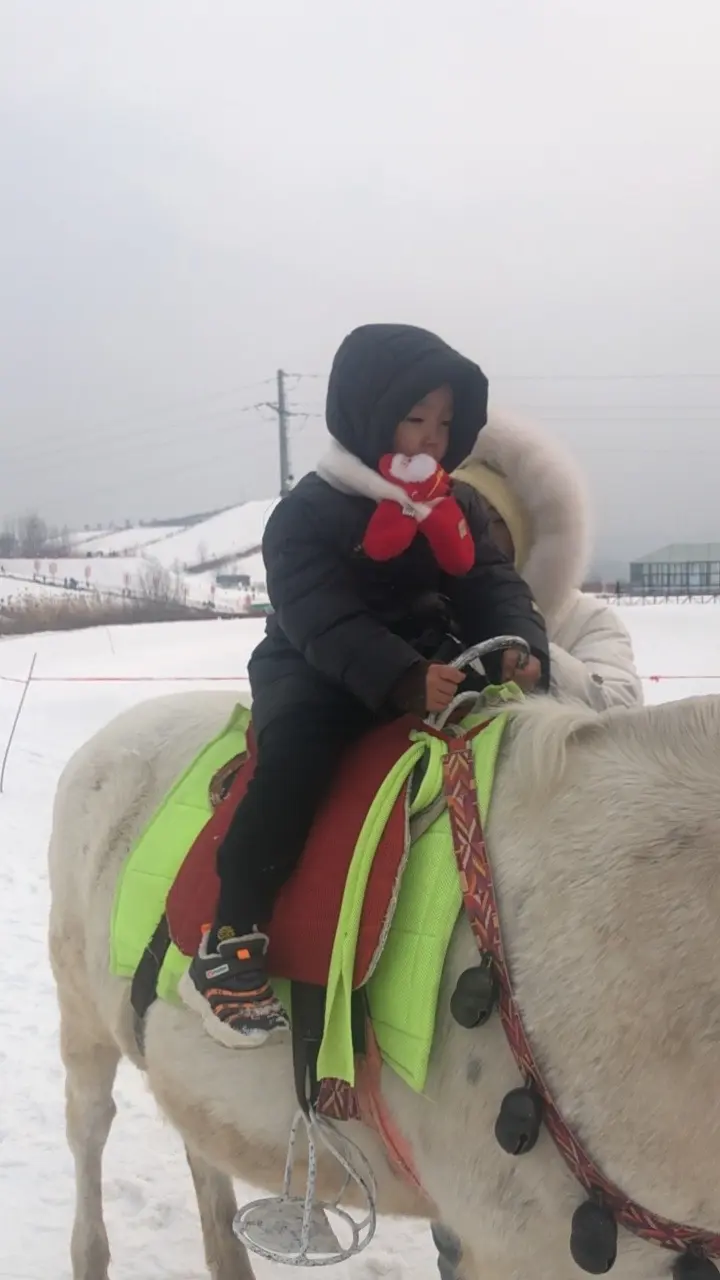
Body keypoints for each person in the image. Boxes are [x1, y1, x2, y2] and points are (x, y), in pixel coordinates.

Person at [180, 324, 550, 1048]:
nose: (435, 437)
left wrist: (522, 648)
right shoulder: (308, 513)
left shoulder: (457, 505)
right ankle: (231, 938)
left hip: (436, 664)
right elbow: (321, 615)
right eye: (416, 417)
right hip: (319, 669)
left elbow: (490, 584)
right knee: (295, 766)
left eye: (447, 422)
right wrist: (402, 677)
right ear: (366, 412)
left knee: (529, 738)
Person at [456, 408, 642, 709]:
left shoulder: (584, 620)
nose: (473, 532)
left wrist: (524, 646)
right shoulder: (417, 611)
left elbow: (620, 707)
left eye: (493, 520)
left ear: (524, 534)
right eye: (459, 515)